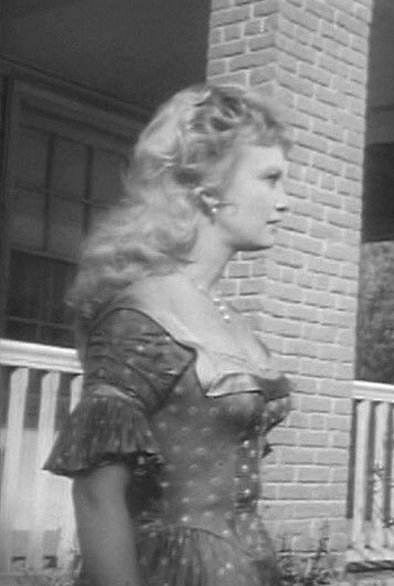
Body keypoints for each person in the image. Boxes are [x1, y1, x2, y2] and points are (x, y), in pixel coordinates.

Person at [44, 84, 293, 586]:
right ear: (208, 187)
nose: (283, 202)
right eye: (269, 179)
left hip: (246, 566)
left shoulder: (227, 319)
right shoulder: (144, 316)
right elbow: (96, 495)